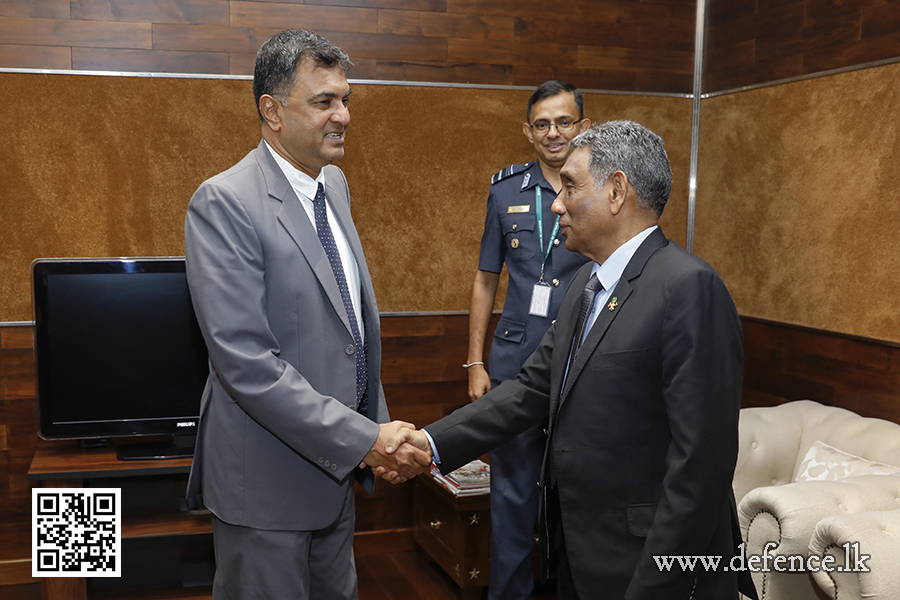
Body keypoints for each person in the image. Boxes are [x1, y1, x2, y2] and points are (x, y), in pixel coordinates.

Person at [387, 121, 758, 600]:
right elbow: (529, 391)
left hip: (649, 566)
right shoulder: (585, 284)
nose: (556, 203)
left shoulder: (687, 287)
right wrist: (429, 443)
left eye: (569, 186)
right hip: (579, 554)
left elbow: (701, 466)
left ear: (617, 191)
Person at [183, 29, 430, 600]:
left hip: (334, 475)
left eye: (345, 99)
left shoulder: (334, 185)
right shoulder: (223, 202)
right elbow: (247, 365)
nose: (342, 115)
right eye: (324, 101)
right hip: (265, 488)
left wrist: (379, 434)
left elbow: (351, 331)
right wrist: (364, 439)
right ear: (271, 110)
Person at [465, 80, 590, 600]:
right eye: (542, 124)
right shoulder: (504, 190)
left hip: (582, 358)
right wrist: (474, 361)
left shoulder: (601, 187)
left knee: (579, 491)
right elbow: (485, 278)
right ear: (528, 131)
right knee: (512, 492)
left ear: (583, 127)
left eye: (564, 122)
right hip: (515, 359)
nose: (553, 133)